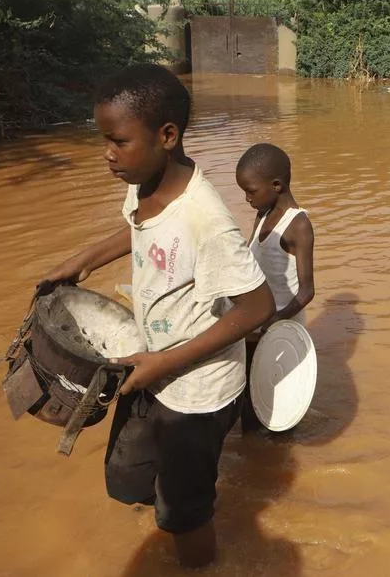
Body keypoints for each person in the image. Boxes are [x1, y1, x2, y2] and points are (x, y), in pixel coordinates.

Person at [39, 64, 276, 569]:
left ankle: (198, 560)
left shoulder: (206, 219)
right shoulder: (144, 182)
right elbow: (137, 228)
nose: (108, 153)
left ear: (167, 135)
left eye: (118, 141)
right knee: (127, 480)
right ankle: (171, 506)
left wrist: (164, 365)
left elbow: (259, 307)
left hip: (197, 390)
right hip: (150, 366)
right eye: (103, 139)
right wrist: (81, 260)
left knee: (185, 513)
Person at [234, 143, 316, 430]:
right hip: (255, 326)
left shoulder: (299, 226)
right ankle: (255, 463)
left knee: (278, 408)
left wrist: (272, 320)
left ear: (277, 185)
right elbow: (247, 261)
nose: (246, 198)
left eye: (251, 191)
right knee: (250, 402)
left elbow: (307, 291)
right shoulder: (263, 214)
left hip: (280, 329)